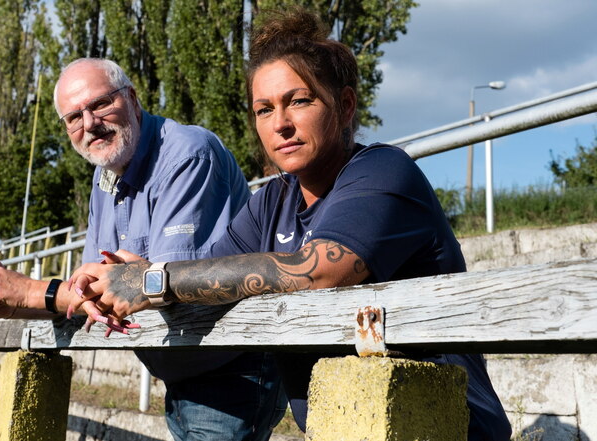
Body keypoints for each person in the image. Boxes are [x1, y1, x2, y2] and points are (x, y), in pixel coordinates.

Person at [55, 9, 512, 440]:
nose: (282, 124)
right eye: (264, 109)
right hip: (341, 425)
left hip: (446, 426)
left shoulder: (383, 172)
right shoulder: (270, 202)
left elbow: (319, 271)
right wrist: (121, 280)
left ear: (345, 105)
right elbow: (209, 279)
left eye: (299, 101)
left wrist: (152, 278)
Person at [0, 58, 286, 440]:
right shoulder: (104, 175)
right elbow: (91, 294)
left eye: (99, 104)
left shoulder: (188, 155)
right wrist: (10, 304)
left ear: (132, 98)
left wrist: (30, 291)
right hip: (183, 372)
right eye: (73, 117)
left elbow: (160, 289)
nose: (89, 123)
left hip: (231, 371)